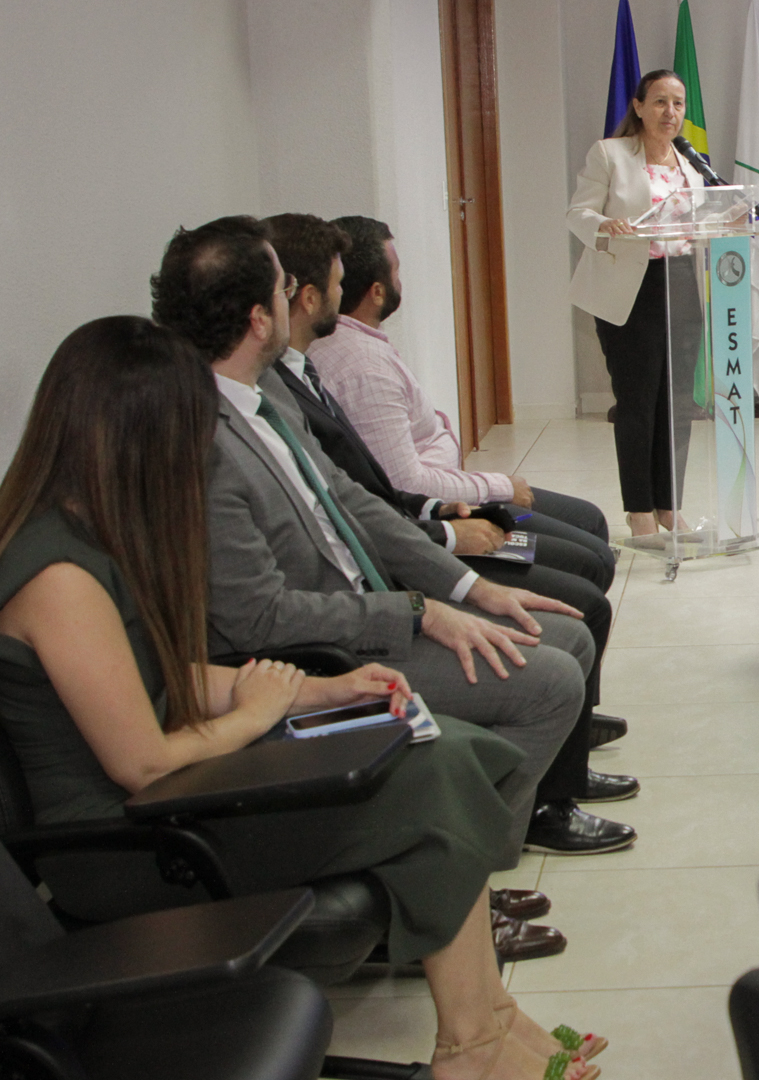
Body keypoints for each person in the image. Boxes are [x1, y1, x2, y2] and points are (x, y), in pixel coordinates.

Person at [0, 316, 608, 1080]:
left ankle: (485, 1023)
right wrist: (256, 713)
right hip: (131, 842)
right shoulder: (56, 577)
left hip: (181, 794)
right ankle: (473, 1043)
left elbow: (164, 680)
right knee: (427, 782)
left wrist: (322, 690)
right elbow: (141, 762)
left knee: (432, 749)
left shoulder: (95, 535)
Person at [151, 216, 632, 860]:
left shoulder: (264, 391)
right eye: (281, 285)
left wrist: (469, 587)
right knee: (552, 681)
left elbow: (350, 500)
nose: (293, 294)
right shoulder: (203, 440)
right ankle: (465, 872)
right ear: (258, 318)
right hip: (323, 652)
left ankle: (469, 845)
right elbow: (259, 617)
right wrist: (417, 610)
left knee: (568, 632)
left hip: (375, 597)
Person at [307, 214, 618, 585]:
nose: (400, 282)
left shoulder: (354, 344)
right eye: (396, 272)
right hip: (450, 523)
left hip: (456, 496)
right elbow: (407, 483)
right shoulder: (362, 368)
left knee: (588, 521)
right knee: (587, 561)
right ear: (376, 291)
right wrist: (499, 486)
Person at [565, 68, 708, 539]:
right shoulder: (610, 154)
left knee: (678, 403)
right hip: (632, 288)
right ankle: (640, 509)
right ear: (640, 106)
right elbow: (579, 212)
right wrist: (606, 226)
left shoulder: (690, 164)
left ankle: (670, 505)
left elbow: (703, 218)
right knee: (639, 402)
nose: (672, 113)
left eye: (679, 104)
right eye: (662, 102)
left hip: (682, 280)